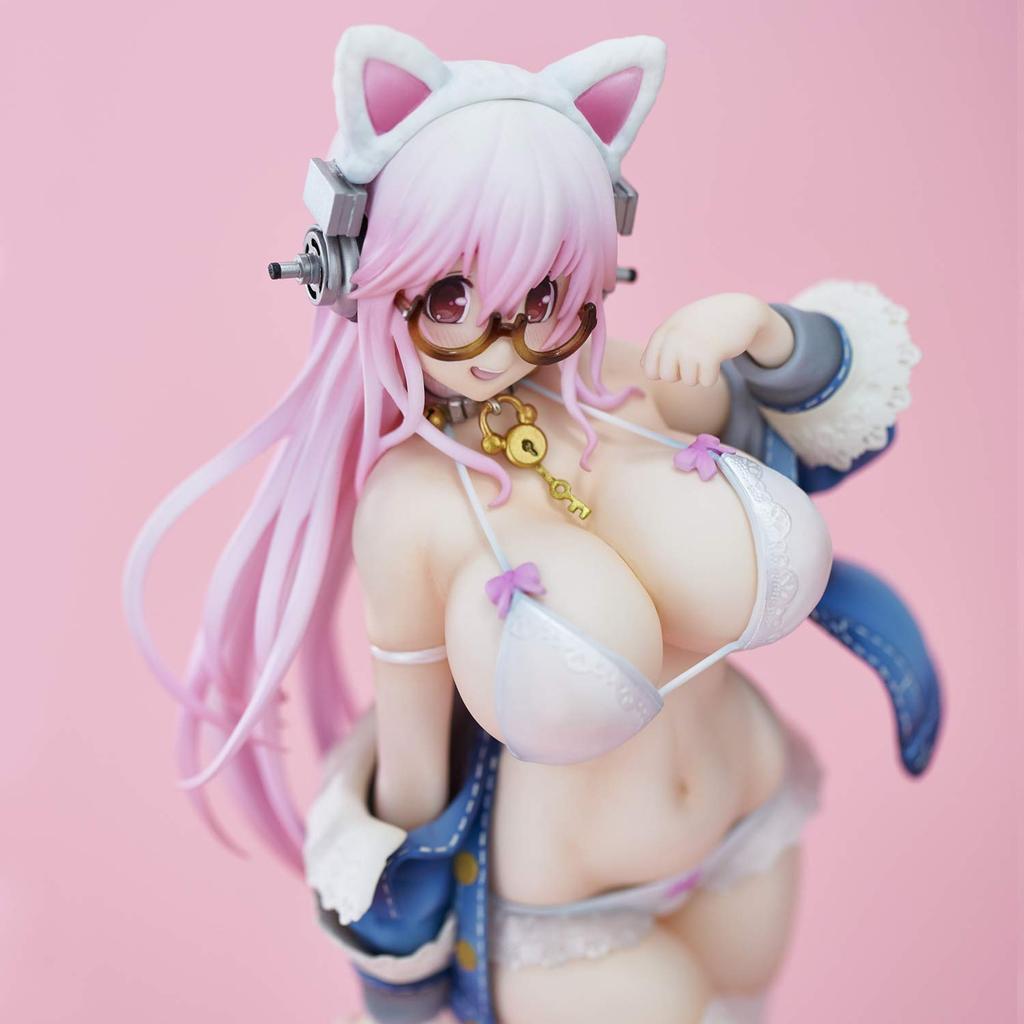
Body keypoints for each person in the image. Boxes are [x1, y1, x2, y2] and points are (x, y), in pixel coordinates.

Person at [124, 25, 941, 1024]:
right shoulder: (412, 507)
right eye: (450, 295)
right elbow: (415, 771)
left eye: (542, 292)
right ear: (358, 275)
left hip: (753, 821)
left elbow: (827, 440)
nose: (499, 338)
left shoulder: (632, 384)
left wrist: (761, 330)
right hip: (566, 919)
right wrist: (400, 960)